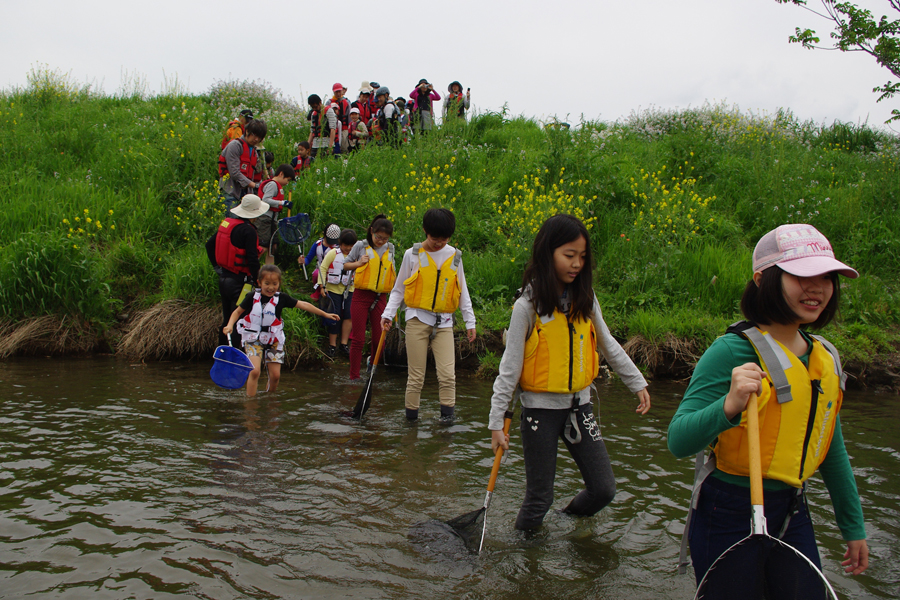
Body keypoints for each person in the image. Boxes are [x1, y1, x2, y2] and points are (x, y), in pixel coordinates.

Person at [668, 224, 869, 590]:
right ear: (764, 279)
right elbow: (679, 441)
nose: (817, 287)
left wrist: (852, 527)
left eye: (827, 276)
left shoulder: (825, 358)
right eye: (801, 275)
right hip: (727, 510)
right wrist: (729, 405)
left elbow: (831, 449)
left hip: (792, 507)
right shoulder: (731, 352)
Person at [488, 214, 651, 530]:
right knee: (539, 499)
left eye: (582, 257)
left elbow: (608, 344)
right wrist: (497, 422)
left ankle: (564, 524)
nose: (576, 264)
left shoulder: (585, 298)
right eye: (569, 255)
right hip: (539, 413)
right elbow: (509, 368)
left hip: (580, 408)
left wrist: (636, 381)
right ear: (548, 254)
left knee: (603, 489)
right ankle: (528, 560)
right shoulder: (528, 306)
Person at [381, 208, 476, 422]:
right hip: (417, 320)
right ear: (425, 231)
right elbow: (398, 290)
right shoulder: (412, 255)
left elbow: (463, 292)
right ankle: (411, 423)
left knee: (448, 376)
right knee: (416, 377)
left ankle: (447, 423)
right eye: (434, 238)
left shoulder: (455, 256)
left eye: (444, 239)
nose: (439, 243)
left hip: (444, 323)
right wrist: (388, 313)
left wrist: (470, 321)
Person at [223, 265, 339, 397]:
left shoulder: (282, 298)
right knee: (254, 371)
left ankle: (269, 398)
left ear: (279, 284)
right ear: (259, 282)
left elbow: (304, 305)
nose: (271, 287)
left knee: (276, 376)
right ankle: (251, 403)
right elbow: (237, 312)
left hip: (274, 339)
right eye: (267, 283)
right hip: (253, 338)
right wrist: (229, 325)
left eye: (274, 284)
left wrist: (325, 314)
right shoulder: (251, 296)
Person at [205, 194, 269, 348]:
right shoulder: (249, 231)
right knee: (239, 319)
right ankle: (236, 356)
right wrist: (258, 281)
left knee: (227, 319)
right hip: (239, 284)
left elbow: (209, 245)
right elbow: (253, 260)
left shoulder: (227, 224)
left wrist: (216, 267)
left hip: (224, 280)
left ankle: (221, 354)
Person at [342, 215, 396, 380]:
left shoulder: (390, 248)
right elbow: (345, 265)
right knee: (358, 338)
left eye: (384, 238)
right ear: (372, 232)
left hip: (381, 297)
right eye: (378, 237)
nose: (381, 241)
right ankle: (354, 377)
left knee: (379, 338)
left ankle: (372, 367)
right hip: (360, 295)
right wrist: (359, 263)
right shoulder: (360, 246)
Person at [318, 228, 357, 357]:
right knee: (334, 316)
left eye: (351, 246)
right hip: (333, 289)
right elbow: (323, 268)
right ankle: (332, 345)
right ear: (340, 243)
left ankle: (344, 344)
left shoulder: (357, 256)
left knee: (349, 315)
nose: (348, 248)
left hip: (350, 289)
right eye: (346, 245)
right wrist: (322, 286)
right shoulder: (333, 253)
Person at [218, 119, 267, 209]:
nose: (256, 139)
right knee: (230, 222)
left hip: (245, 195)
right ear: (247, 131)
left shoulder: (254, 152)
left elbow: (254, 174)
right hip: (230, 192)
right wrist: (254, 185)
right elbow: (234, 173)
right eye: (254, 135)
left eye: (259, 137)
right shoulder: (235, 146)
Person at [256, 165, 296, 261]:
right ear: (281, 174)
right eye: (288, 179)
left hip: (272, 220)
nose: (287, 183)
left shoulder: (278, 187)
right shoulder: (272, 184)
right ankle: (251, 265)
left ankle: (269, 271)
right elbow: (265, 200)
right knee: (264, 245)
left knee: (272, 247)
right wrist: (282, 203)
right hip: (265, 218)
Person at [327, 83, 351, 153]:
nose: (338, 93)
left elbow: (349, 116)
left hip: (344, 127)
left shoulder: (346, 102)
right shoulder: (329, 102)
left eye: (339, 91)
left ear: (342, 91)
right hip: (332, 127)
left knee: (344, 146)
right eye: (336, 92)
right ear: (333, 92)